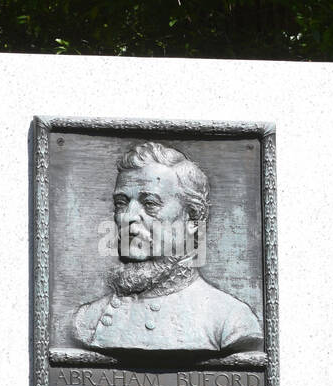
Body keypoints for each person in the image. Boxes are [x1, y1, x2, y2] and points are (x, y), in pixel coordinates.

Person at [69, 141, 263, 352]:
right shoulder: (87, 320)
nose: (128, 217)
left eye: (150, 203)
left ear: (192, 219)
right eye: (121, 203)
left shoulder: (230, 321)